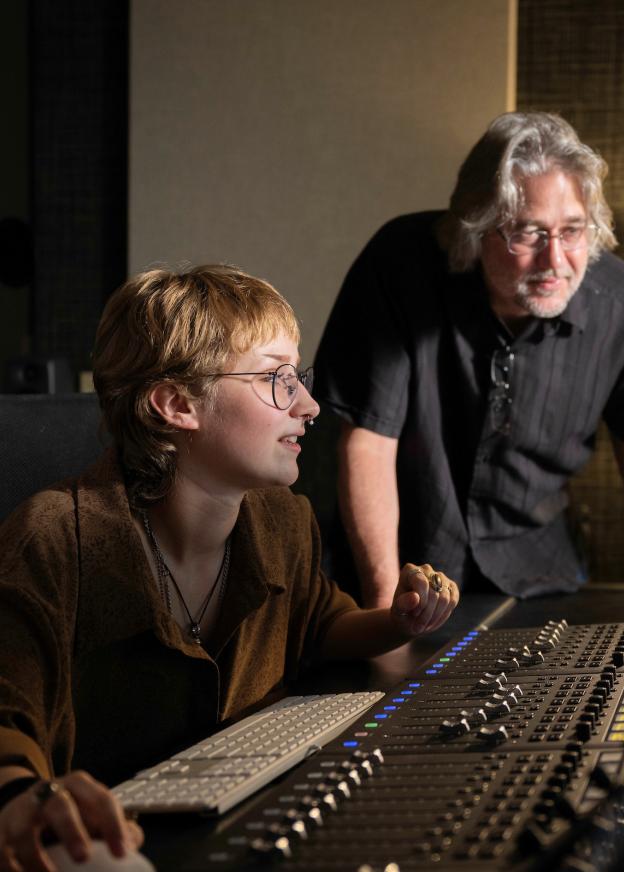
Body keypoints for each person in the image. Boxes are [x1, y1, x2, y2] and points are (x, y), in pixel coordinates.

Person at [0, 265, 458, 870]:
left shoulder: (283, 520)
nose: (311, 405)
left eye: (300, 378)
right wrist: (22, 798)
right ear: (176, 404)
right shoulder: (55, 538)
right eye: (276, 379)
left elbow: (317, 623)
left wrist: (398, 622)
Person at [313, 111, 624, 609]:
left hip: (537, 572)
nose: (555, 261)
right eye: (528, 233)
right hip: (401, 563)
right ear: (475, 229)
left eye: (573, 232)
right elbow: (368, 441)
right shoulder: (398, 265)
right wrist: (387, 613)